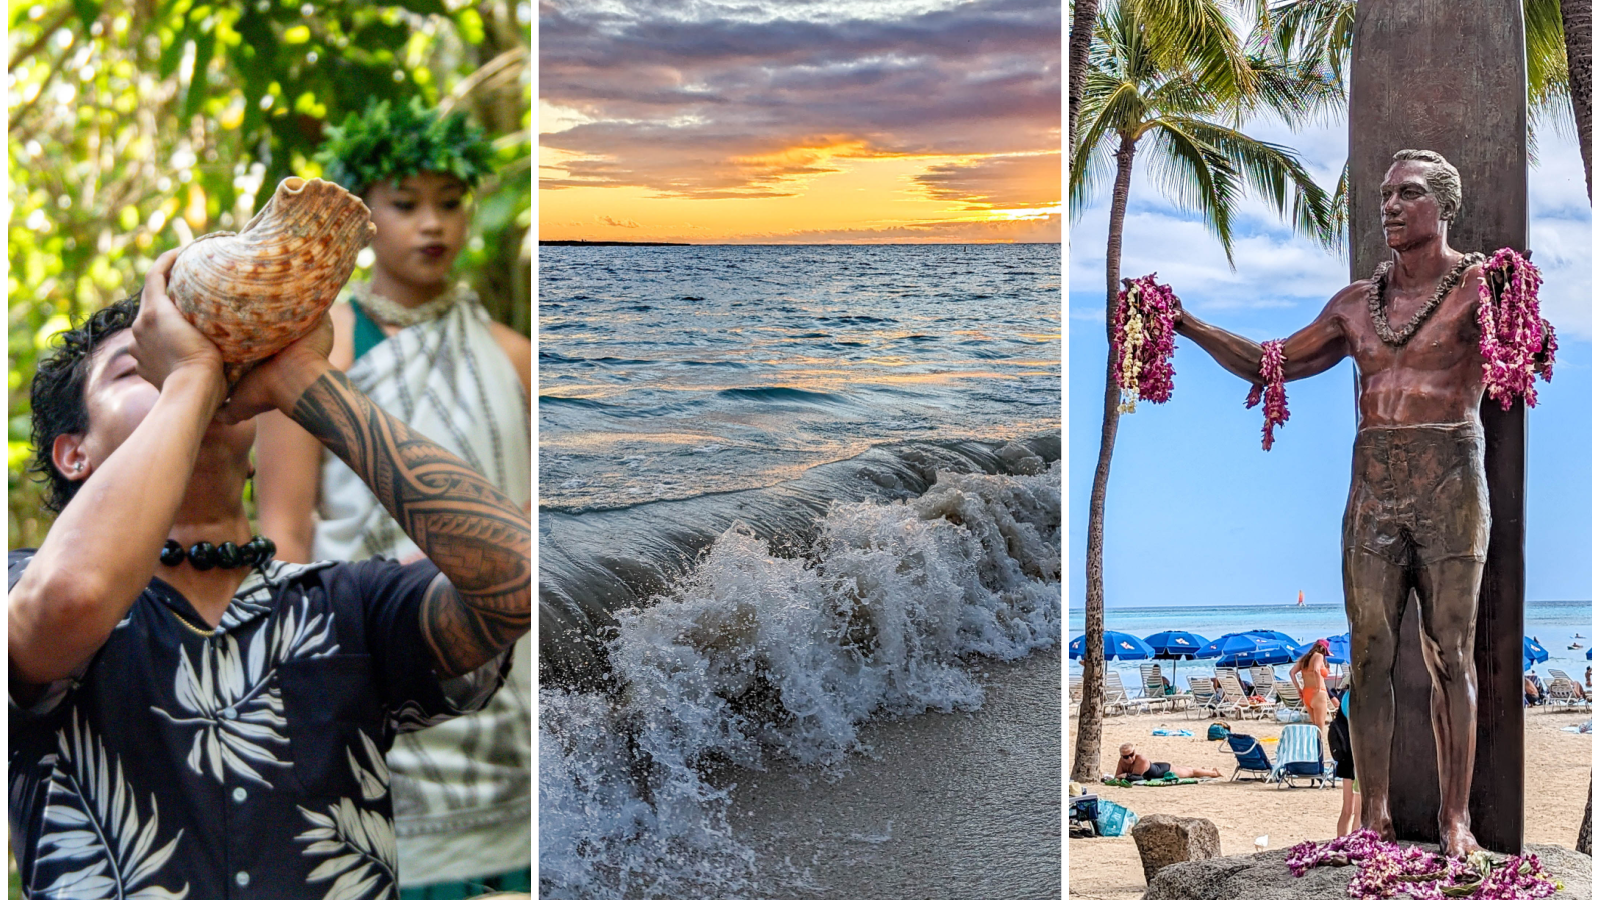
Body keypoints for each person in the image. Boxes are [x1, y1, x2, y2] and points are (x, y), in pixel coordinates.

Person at [8, 253, 531, 896]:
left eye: (217, 368)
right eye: (138, 370)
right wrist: (195, 377)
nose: (181, 376)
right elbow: (74, 598)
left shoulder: (347, 604)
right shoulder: (20, 590)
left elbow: (519, 577)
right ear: (74, 454)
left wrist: (303, 377)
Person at [1171, 150, 1550, 856]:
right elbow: (1271, 362)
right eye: (1385, 195)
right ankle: (1371, 819)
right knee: (1369, 653)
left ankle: (1455, 821)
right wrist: (1187, 324)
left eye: (1408, 194)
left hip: (1451, 480)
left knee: (1451, 655)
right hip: (1373, 482)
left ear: (1444, 207)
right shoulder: (1355, 305)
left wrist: (1517, 300)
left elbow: (1522, 360)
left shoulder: (1481, 288)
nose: (1391, 207)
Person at [254, 98, 533, 896]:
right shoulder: (312, 352)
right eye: (405, 204)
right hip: (365, 660)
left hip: (495, 667)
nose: (431, 224)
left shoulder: (513, 356)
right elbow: (285, 533)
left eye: (450, 202)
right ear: (363, 216)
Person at [1290, 639, 1333, 752]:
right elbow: (1316, 670)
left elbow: (1292, 673)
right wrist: (1319, 687)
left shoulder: (1305, 658)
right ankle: (1318, 755)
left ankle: (1312, 752)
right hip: (1318, 694)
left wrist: (1298, 688)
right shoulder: (1318, 656)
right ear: (1323, 649)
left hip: (1306, 693)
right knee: (1319, 728)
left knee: (1314, 727)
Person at [1329, 690, 1359, 836]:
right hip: (1358, 757)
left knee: (1347, 809)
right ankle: (1355, 846)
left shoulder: (1346, 696)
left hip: (1344, 755)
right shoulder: (1359, 695)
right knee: (1360, 811)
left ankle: (1340, 844)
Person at [1111, 744, 1222, 781]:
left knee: (1191, 772)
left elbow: (1138, 777)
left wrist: (1125, 775)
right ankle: (1203, 770)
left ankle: (1214, 773)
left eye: (1131, 755)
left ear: (1135, 752)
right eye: (1126, 757)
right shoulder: (1122, 761)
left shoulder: (1141, 760)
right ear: (1122, 756)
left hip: (1164, 770)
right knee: (1186, 769)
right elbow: (1117, 776)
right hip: (1156, 767)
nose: (1129, 759)